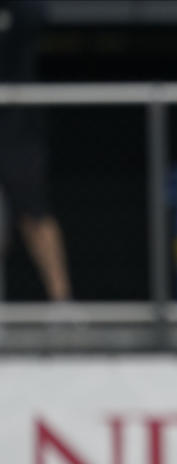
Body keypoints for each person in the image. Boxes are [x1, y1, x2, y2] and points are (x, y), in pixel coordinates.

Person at [0, 0, 71, 301]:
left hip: (18, 127)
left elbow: (34, 18)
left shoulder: (22, 10)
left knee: (35, 213)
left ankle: (62, 303)